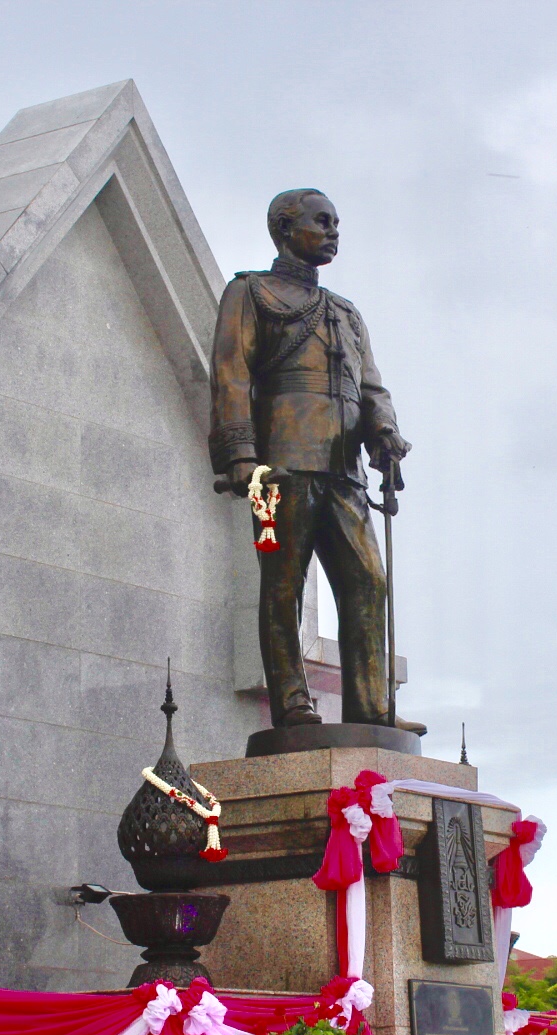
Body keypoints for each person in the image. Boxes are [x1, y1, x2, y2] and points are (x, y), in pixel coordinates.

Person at [208, 188, 419, 734]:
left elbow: (371, 388)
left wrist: (386, 436)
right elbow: (232, 373)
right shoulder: (249, 293)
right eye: (320, 222)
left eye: (337, 223)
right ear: (284, 228)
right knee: (284, 585)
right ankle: (292, 705)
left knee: (368, 582)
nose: (332, 231)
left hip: (343, 471)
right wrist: (240, 457)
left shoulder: (347, 314)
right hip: (277, 469)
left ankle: (372, 709)